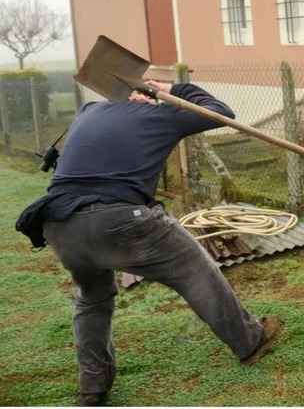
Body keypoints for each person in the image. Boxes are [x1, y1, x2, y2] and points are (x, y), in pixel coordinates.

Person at [16, 80, 282, 406]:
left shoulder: (89, 111)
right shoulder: (161, 116)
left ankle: (93, 389)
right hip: (119, 220)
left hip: (59, 224)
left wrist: (138, 95)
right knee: (194, 269)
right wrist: (175, 88)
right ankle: (250, 341)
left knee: (91, 298)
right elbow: (221, 114)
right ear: (147, 98)